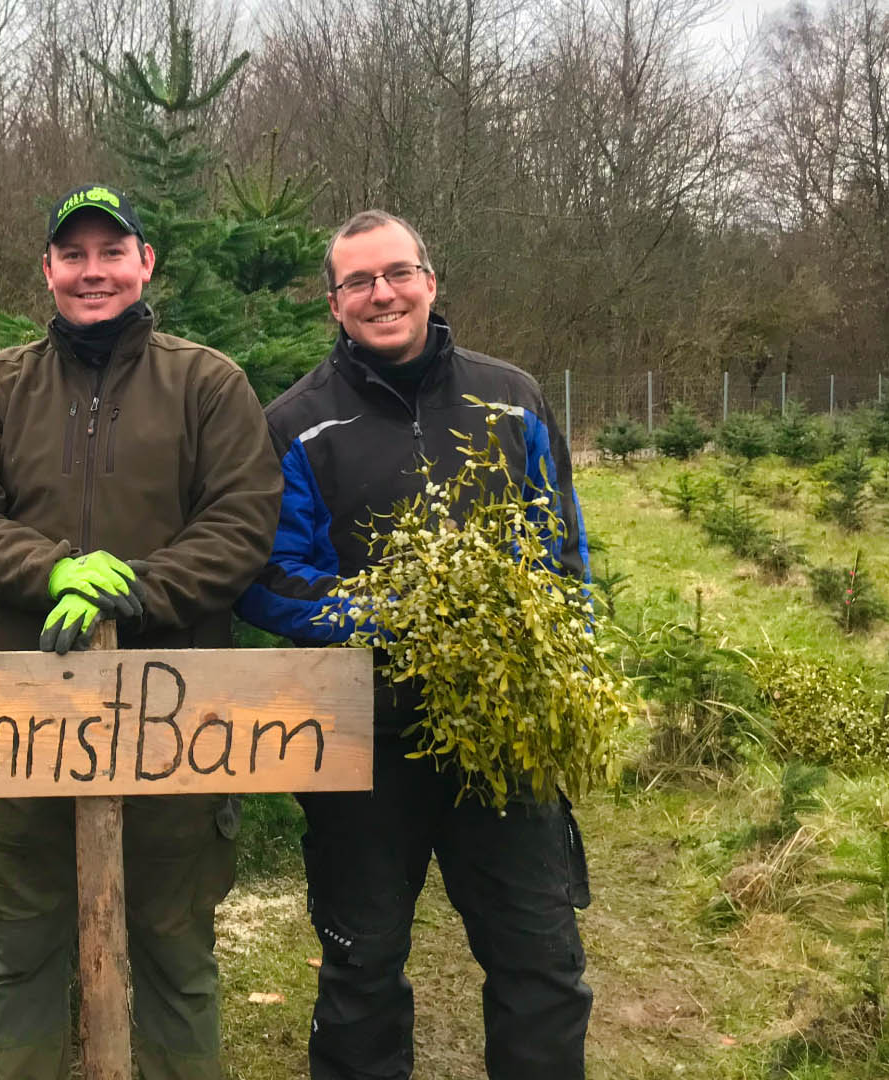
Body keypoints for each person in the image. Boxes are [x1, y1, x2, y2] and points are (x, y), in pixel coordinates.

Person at [0, 183, 281, 1080]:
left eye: (111, 252)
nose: (93, 272)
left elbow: (242, 525)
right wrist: (49, 569)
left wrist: (139, 589)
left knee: (176, 959)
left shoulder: (208, 383)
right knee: (24, 957)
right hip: (19, 726)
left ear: (145, 262)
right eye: (72, 255)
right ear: (47, 270)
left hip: (178, 726)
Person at [235, 209, 593, 1079]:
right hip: (364, 738)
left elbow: (566, 553)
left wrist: (564, 656)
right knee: (361, 968)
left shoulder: (514, 397)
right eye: (358, 281)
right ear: (334, 303)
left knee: (540, 964)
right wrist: (397, 613)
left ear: (430, 282)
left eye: (396, 273)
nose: (381, 293)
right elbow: (266, 580)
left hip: (500, 735)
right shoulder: (295, 425)